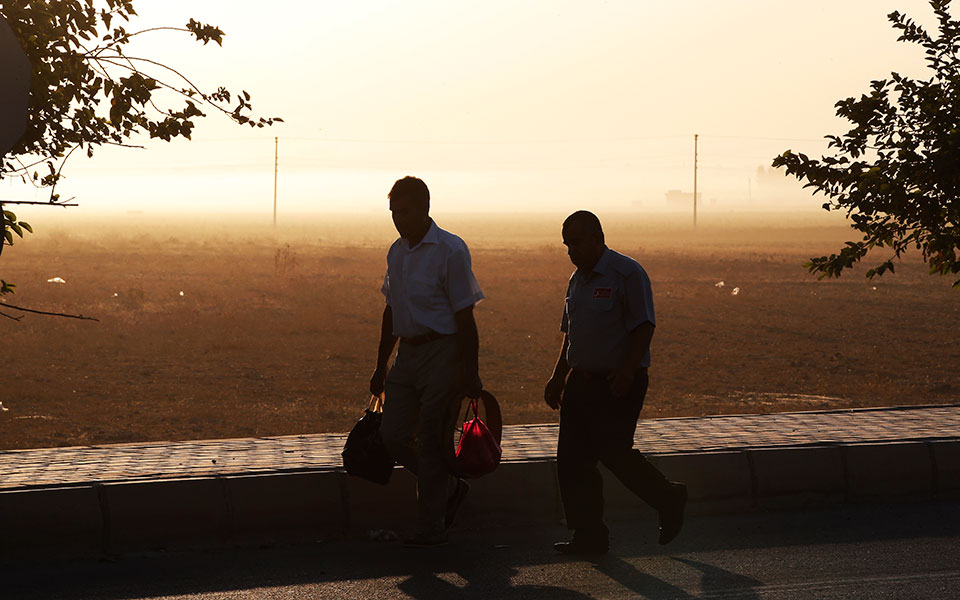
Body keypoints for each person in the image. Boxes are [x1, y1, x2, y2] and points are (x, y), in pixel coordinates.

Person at [543, 210, 686, 555]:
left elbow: (644, 326)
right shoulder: (577, 280)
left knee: (614, 452)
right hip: (581, 382)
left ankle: (667, 497)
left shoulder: (627, 274)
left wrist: (628, 369)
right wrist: (558, 376)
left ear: (597, 238)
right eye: (567, 245)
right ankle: (588, 535)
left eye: (576, 242)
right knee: (572, 461)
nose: (571, 251)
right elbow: (571, 335)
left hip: (616, 382)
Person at [369, 176, 484, 549]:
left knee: (434, 439)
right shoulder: (396, 252)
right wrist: (381, 364)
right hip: (409, 352)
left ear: (425, 209)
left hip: (443, 352)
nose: (398, 220)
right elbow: (391, 309)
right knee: (393, 434)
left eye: (404, 212)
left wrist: (470, 370)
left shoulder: (450, 250)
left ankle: (431, 525)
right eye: (393, 213)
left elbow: (465, 316)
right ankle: (447, 485)